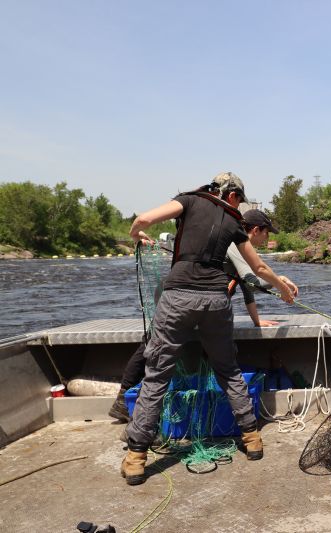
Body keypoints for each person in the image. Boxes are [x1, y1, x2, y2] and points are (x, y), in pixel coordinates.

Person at [120, 172, 296, 486]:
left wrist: (136, 234)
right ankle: (252, 438)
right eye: (239, 198)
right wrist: (281, 286)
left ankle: (136, 457)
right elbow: (259, 268)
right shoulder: (232, 222)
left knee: (158, 371)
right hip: (216, 301)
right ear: (230, 194)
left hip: (178, 299)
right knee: (227, 369)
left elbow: (144, 219)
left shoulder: (188, 201)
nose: (239, 204)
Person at [107, 210, 296, 423]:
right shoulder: (235, 243)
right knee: (155, 346)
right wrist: (280, 281)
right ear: (255, 230)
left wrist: (256, 320)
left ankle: (129, 402)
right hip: (181, 295)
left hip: (187, 296)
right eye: (267, 233)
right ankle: (127, 403)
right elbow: (253, 279)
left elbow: (244, 285)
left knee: (170, 344)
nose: (268, 238)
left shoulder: (235, 244)